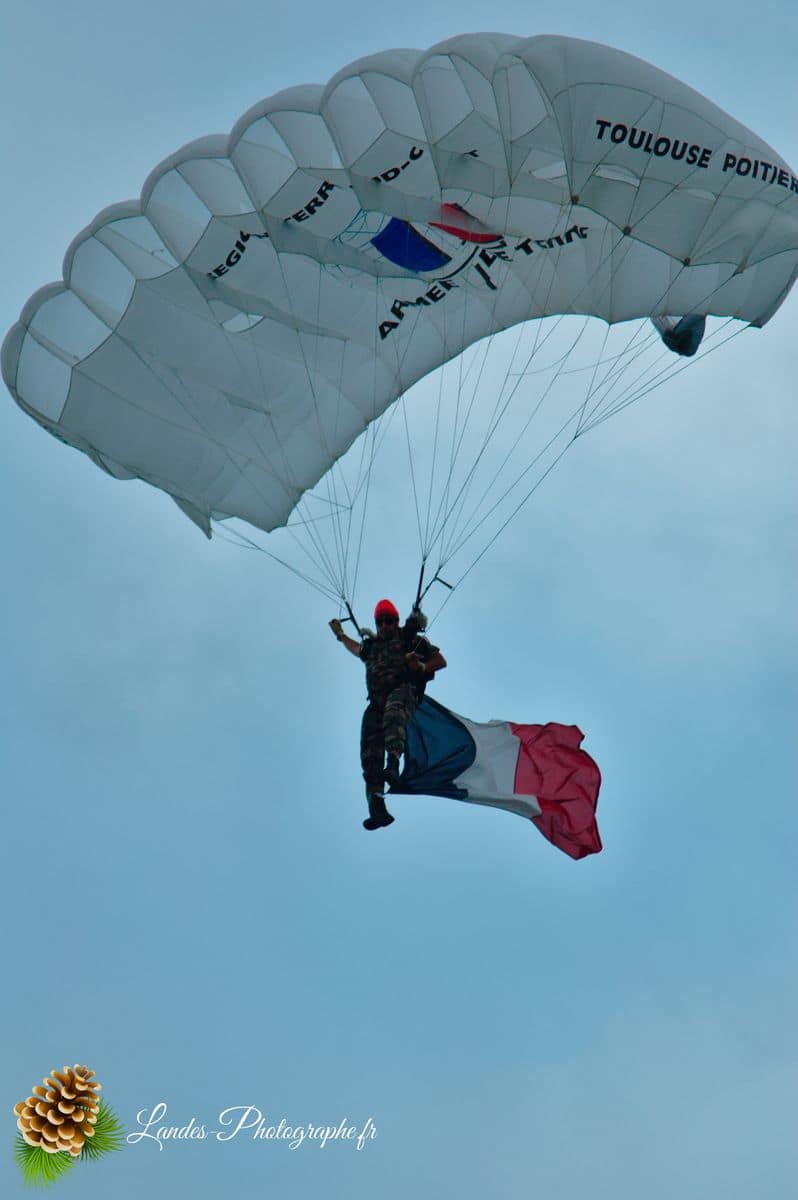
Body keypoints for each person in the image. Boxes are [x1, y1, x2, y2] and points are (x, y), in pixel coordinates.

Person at [329, 599, 447, 830]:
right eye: (380, 622)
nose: (384, 626)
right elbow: (356, 648)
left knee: (393, 716)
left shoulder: (409, 639)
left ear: (397, 621)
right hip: (376, 703)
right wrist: (341, 635)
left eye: (389, 621)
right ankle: (377, 807)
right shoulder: (371, 647)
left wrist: (420, 667)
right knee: (369, 750)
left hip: (403, 691)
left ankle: (393, 764)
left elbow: (440, 661)